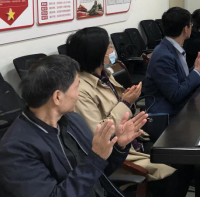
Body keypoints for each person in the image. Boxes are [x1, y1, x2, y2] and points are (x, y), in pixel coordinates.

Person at [0, 55, 147, 197]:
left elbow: (98, 172)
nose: (79, 93)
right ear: (58, 97)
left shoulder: (72, 120)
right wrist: (96, 158)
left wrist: (119, 146)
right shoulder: (15, 150)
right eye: (77, 87)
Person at [67, 27, 188, 196]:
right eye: (109, 46)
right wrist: (125, 102)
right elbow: (99, 132)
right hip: (119, 152)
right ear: (96, 53)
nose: (113, 50)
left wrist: (127, 100)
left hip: (135, 138)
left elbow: (121, 108)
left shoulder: (105, 75)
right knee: (175, 171)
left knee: (184, 157)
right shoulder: (81, 90)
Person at [143, 7, 200, 119]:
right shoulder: (163, 56)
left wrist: (196, 68)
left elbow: (181, 80)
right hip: (168, 116)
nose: (192, 27)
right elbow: (175, 95)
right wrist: (197, 71)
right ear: (185, 29)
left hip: (180, 108)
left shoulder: (173, 48)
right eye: (191, 24)